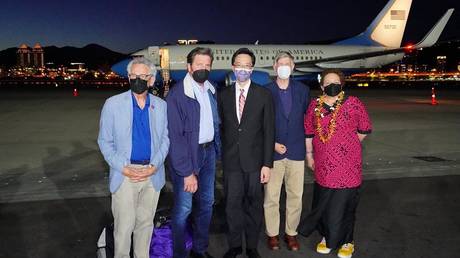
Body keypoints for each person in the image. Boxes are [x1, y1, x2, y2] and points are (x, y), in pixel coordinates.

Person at [97, 57, 169, 258]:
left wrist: (154, 166)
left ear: (152, 79)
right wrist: (124, 168)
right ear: (128, 78)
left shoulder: (161, 106)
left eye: (142, 76)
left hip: (151, 174)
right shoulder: (112, 104)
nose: (137, 79)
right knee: (123, 228)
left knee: (145, 226)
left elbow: (165, 139)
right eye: (133, 76)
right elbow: (104, 142)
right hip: (125, 175)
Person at [299, 69, 372, 258]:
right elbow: (308, 132)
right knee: (324, 202)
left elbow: (364, 129)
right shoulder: (315, 106)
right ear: (322, 86)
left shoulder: (353, 103)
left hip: (348, 166)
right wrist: (309, 155)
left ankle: (348, 241)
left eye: (336, 82)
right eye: (328, 82)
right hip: (323, 164)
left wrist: (347, 146)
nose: (332, 85)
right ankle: (327, 238)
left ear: (342, 85)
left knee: (346, 203)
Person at [218, 48, 275, 258]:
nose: (242, 69)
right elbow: (222, 129)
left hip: (255, 163)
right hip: (232, 162)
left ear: (252, 68)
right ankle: (234, 246)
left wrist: (267, 164)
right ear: (233, 68)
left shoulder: (264, 94)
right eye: (238, 65)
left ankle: (251, 246)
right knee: (232, 206)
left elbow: (269, 131)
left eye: (247, 65)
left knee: (254, 206)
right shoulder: (222, 95)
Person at [166, 47, 221, 258]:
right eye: (199, 64)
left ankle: (199, 249)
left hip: (209, 153)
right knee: (184, 209)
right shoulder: (178, 95)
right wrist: (187, 172)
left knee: (206, 204)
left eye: (207, 65)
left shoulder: (212, 89)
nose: (203, 69)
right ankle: (180, 253)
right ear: (189, 67)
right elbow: (175, 138)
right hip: (188, 155)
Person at [263, 51, 310, 251]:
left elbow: (307, 120)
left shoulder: (303, 90)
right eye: (280, 63)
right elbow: (260, 123)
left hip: (297, 151)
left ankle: (291, 233)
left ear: (293, 67)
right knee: (271, 196)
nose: (283, 66)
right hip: (273, 153)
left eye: (287, 63)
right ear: (274, 67)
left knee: (295, 196)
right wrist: (272, 143)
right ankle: (272, 234)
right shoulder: (265, 91)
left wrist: (309, 152)